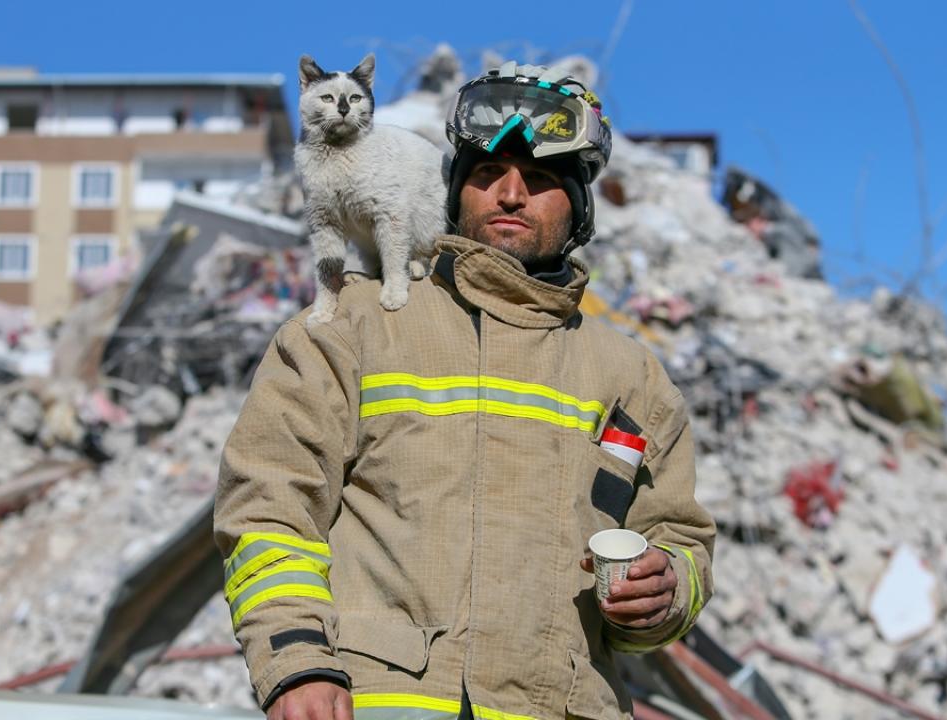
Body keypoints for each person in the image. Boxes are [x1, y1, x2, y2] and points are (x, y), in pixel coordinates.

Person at [215, 60, 715, 720]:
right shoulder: (354, 329)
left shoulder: (631, 378)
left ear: (580, 209)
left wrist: (665, 590)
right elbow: (269, 507)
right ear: (454, 191)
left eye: (541, 179)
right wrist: (297, 661)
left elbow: (679, 537)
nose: (510, 194)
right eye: (487, 174)